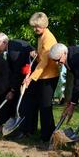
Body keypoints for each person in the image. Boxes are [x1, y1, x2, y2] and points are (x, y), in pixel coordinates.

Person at [22, 12, 60, 143]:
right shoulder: (41, 36)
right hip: (42, 76)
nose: (34, 29)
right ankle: (44, 134)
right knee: (39, 104)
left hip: (49, 76)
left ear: (44, 25)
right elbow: (41, 57)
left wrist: (30, 78)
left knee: (45, 106)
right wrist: (35, 54)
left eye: (37, 26)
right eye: (33, 26)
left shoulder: (48, 38)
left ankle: (48, 136)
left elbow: (44, 62)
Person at [0, 32, 35, 137]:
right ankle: (26, 130)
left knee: (25, 104)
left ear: (4, 42)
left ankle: (25, 131)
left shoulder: (13, 51)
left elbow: (17, 72)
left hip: (31, 76)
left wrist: (12, 90)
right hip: (26, 74)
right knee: (23, 103)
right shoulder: (12, 46)